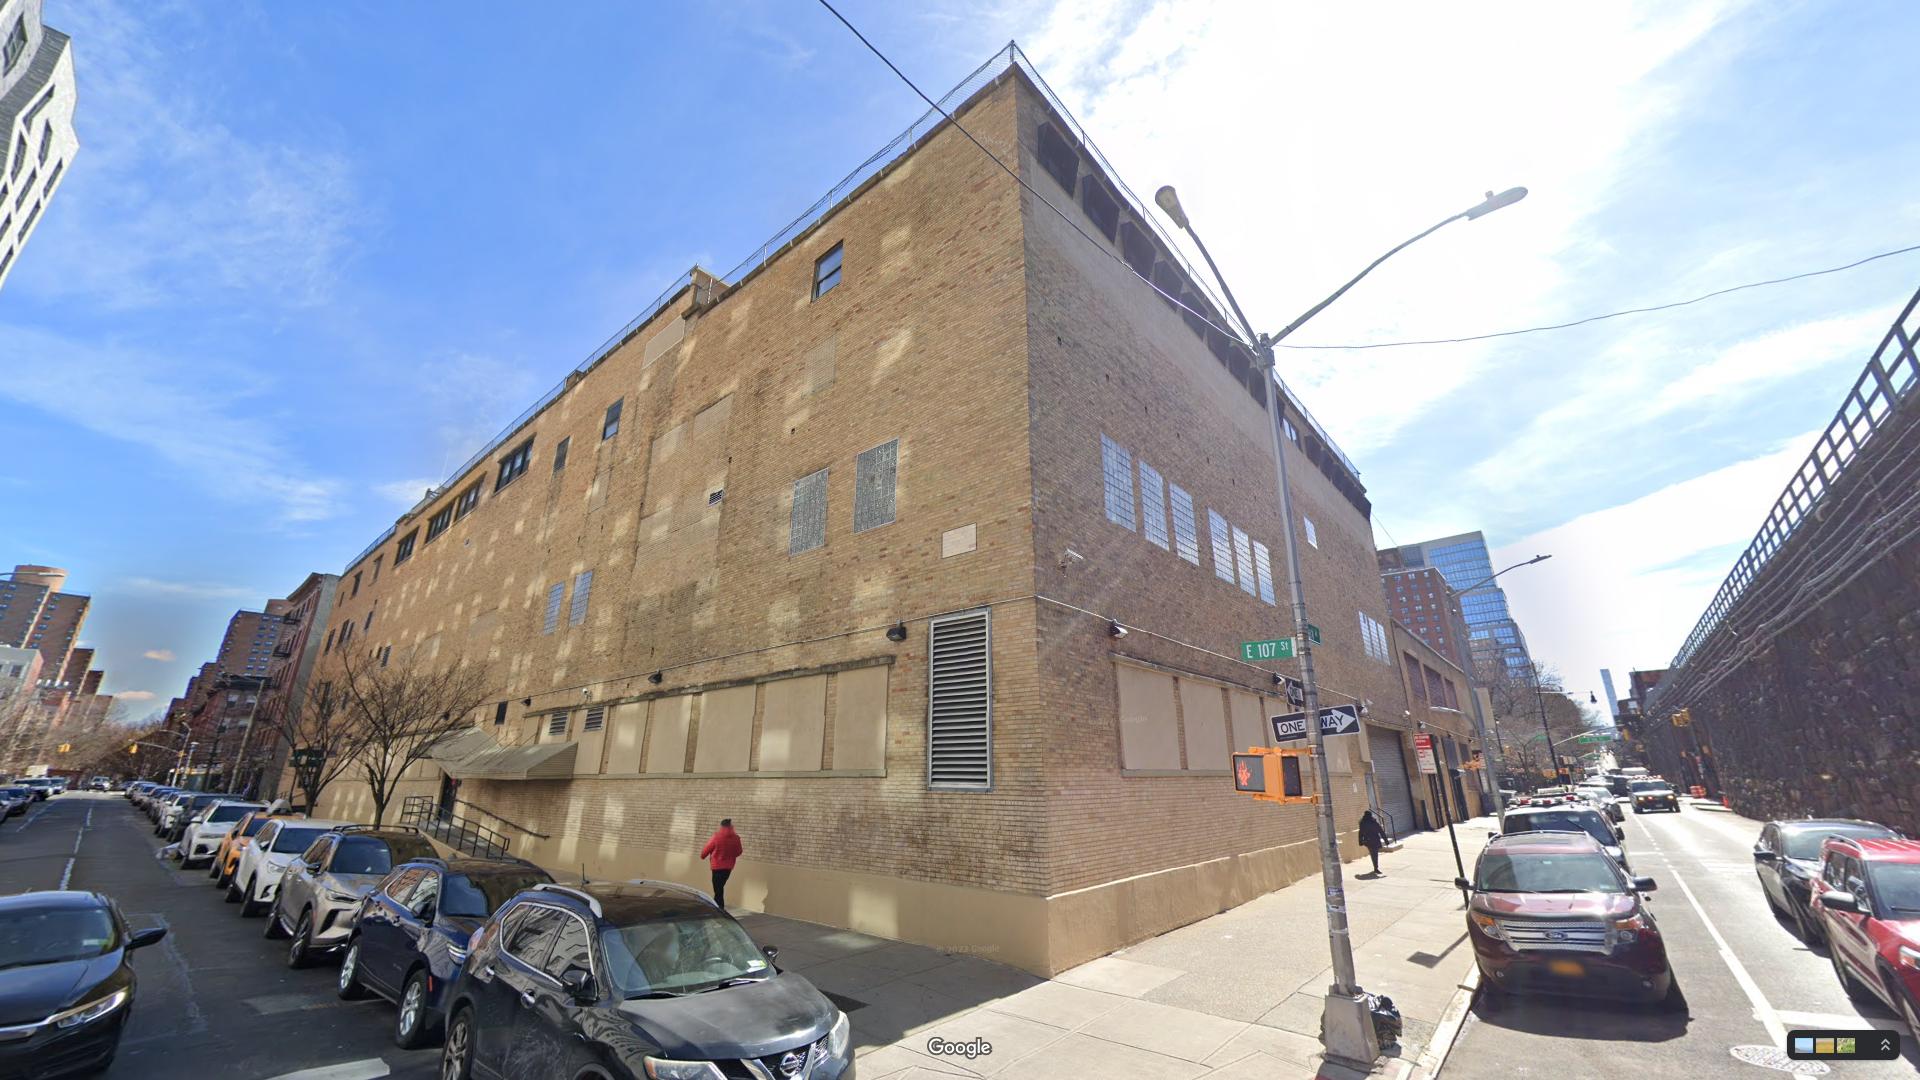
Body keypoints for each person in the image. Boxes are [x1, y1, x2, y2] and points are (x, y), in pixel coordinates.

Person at [700, 818, 743, 909]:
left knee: (718, 890)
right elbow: (739, 852)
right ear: (731, 826)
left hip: (717, 867)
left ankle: (719, 909)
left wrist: (703, 856)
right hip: (728, 868)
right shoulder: (736, 838)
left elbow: (706, 850)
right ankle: (718, 908)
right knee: (719, 888)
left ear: (722, 826)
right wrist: (730, 855)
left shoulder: (716, 837)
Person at [1359, 809, 1387, 875]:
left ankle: (1375, 867)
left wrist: (1360, 841)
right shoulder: (1373, 822)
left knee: (1373, 854)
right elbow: (1381, 831)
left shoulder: (1362, 823)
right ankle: (1376, 868)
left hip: (1368, 841)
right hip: (1375, 840)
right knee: (1375, 854)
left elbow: (1360, 833)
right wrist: (1386, 840)